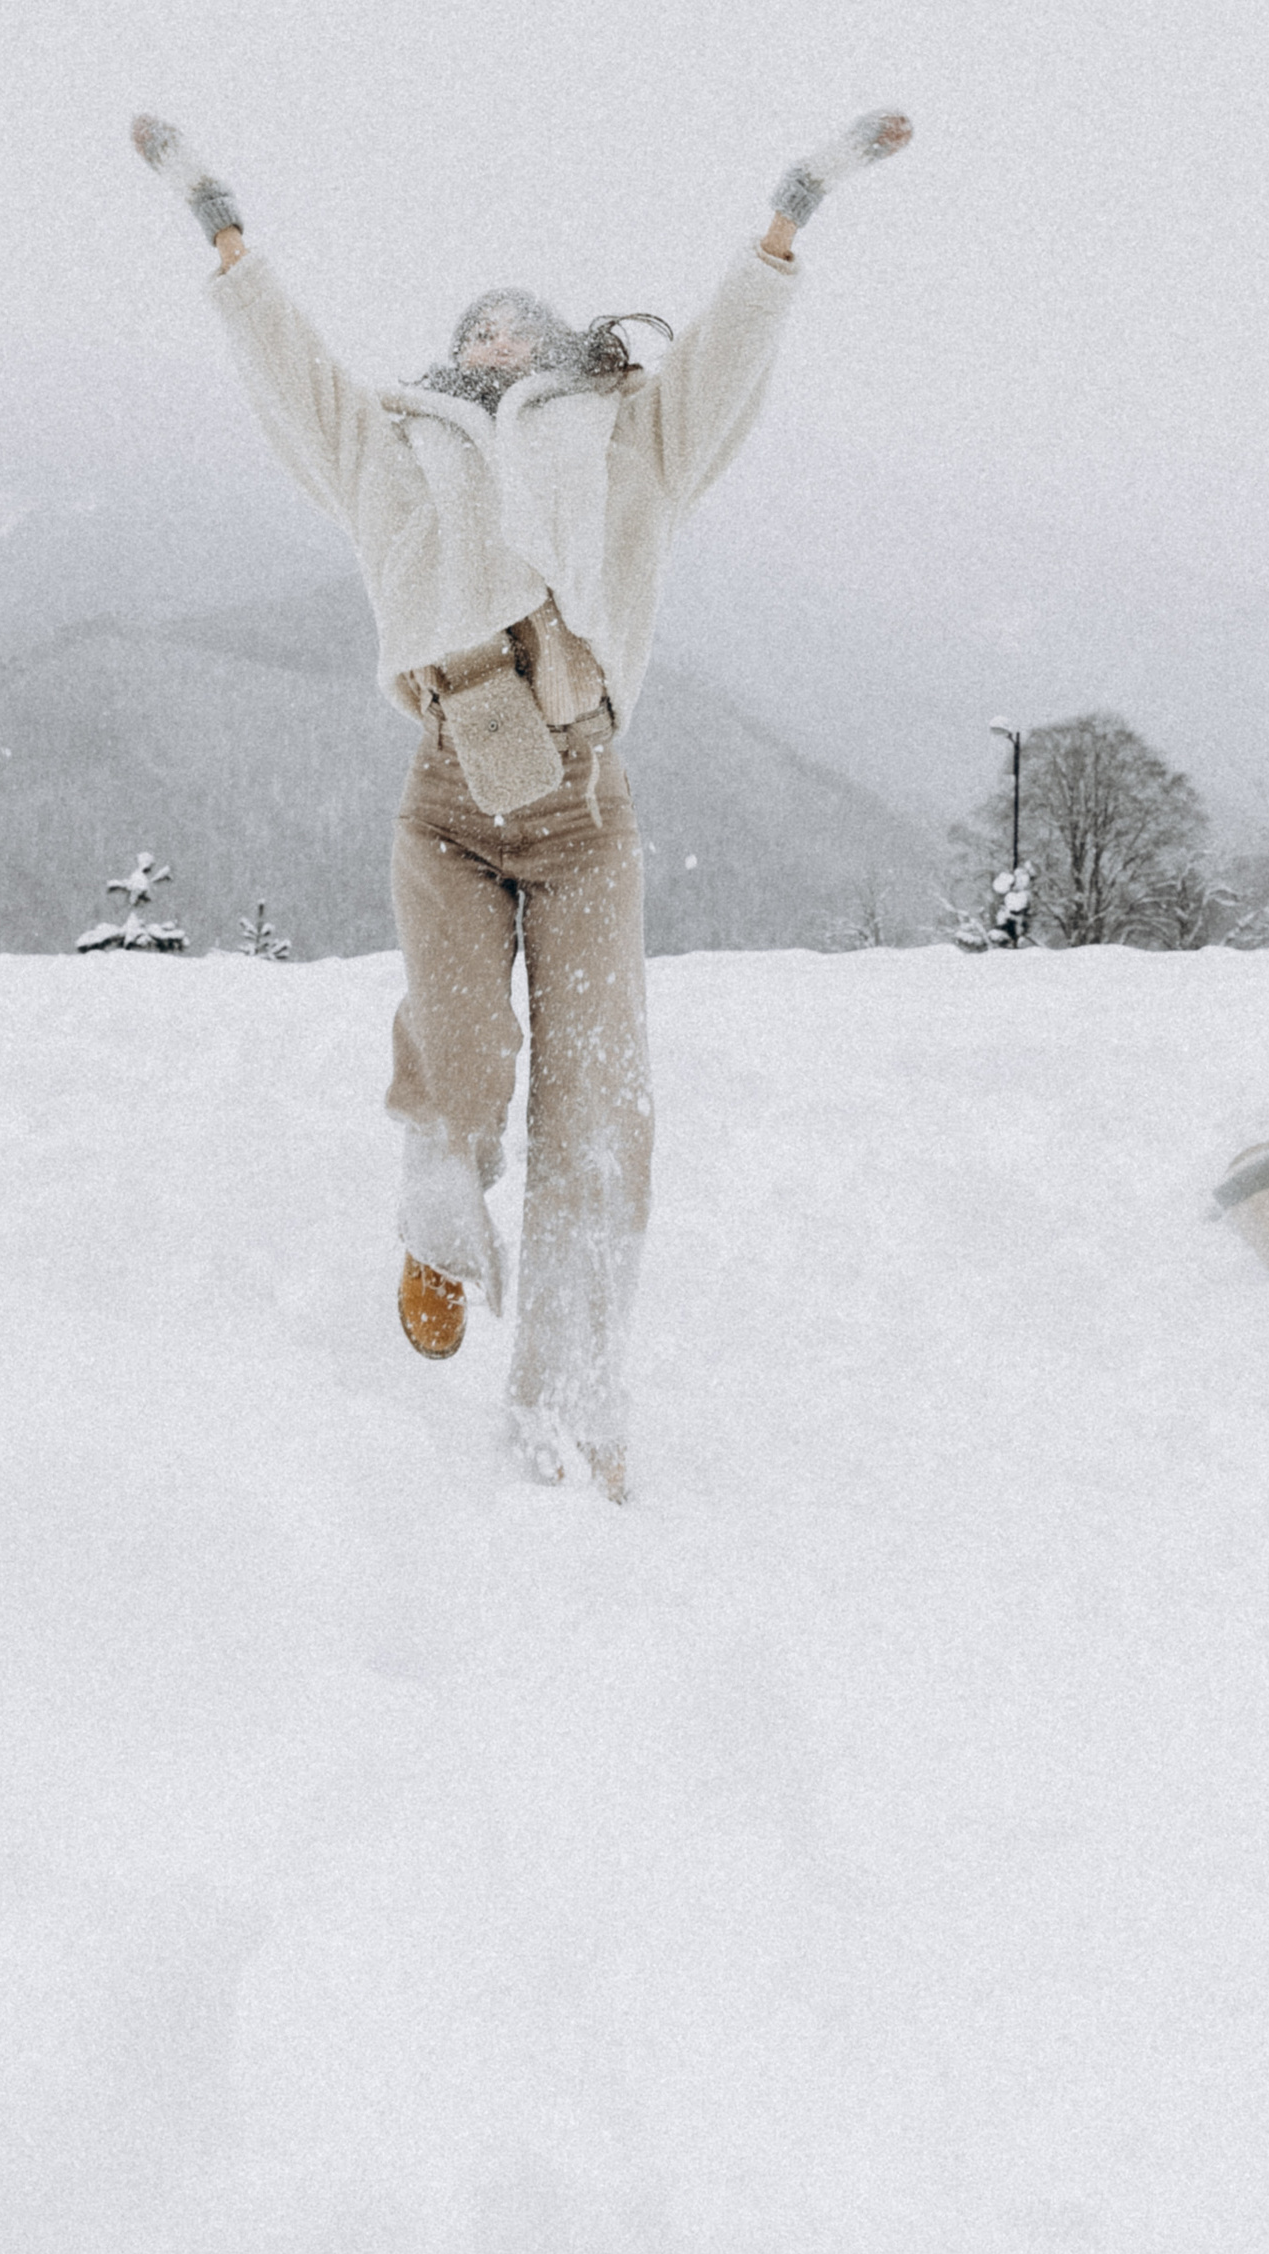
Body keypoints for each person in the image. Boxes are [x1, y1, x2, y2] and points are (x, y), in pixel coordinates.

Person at [130, 104, 914, 1499]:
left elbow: (723, 371)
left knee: (600, 1109)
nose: (493, 336)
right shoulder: (396, 442)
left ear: (554, 350)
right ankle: (438, 1215)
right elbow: (298, 377)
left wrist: (787, 222)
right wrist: (225, 234)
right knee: (459, 1044)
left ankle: (572, 1416)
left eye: (516, 326)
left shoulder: (619, 440)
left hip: (586, 807)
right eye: (475, 327)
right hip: (445, 794)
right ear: (452, 354)